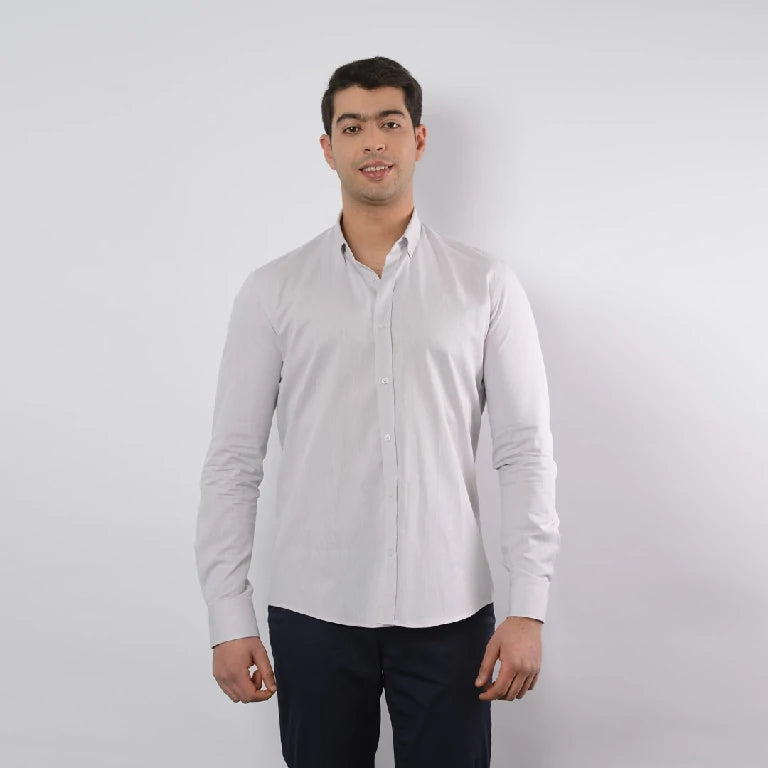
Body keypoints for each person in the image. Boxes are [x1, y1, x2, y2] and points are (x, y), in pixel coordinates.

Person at [194, 55, 561, 768]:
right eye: (352, 126)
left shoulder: (485, 284)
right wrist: (227, 614)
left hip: (451, 612)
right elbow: (234, 461)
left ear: (418, 139)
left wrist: (529, 605)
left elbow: (524, 451)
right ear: (327, 147)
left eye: (389, 123)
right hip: (314, 610)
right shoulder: (273, 291)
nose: (372, 142)